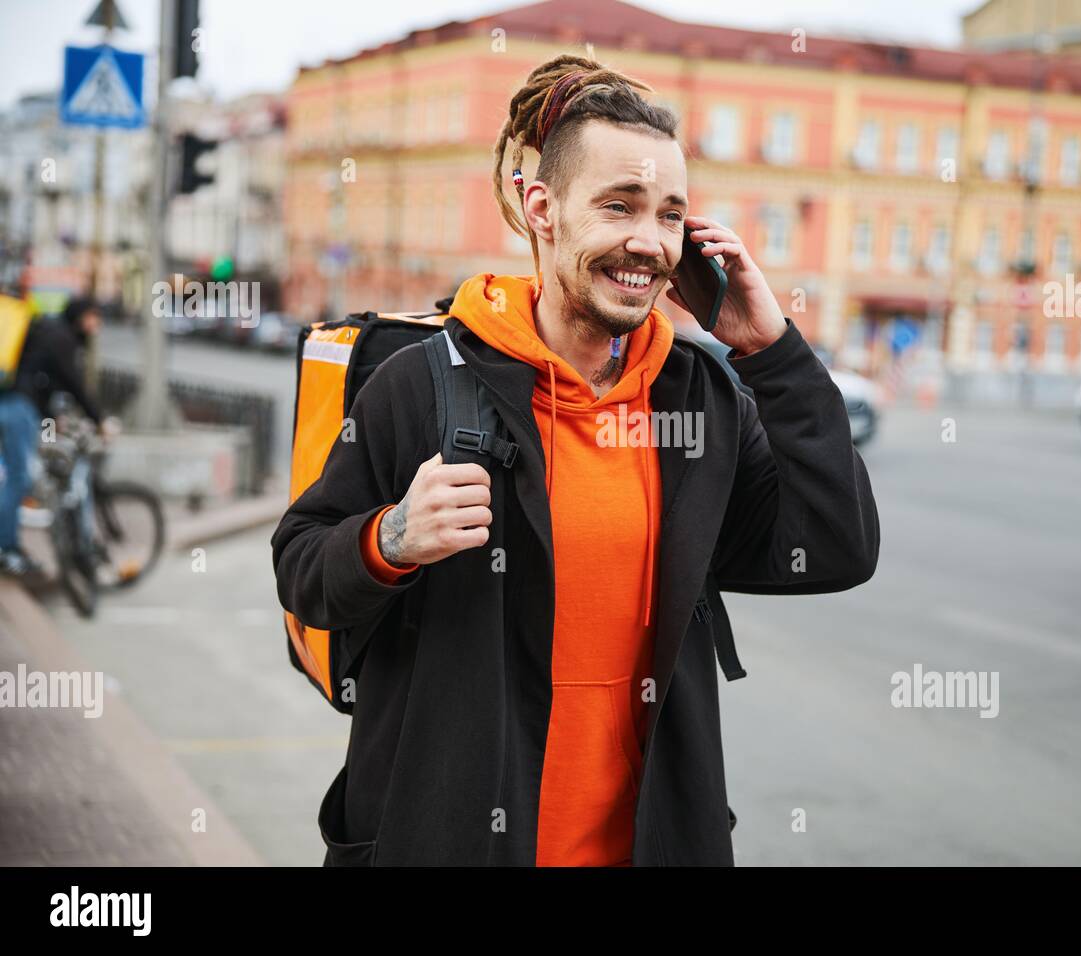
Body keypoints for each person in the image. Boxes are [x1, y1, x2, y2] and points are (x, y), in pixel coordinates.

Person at [271, 54, 881, 867]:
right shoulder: (420, 385)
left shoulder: (696, 400)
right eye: (618, 206)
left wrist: (772, 353)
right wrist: (389, 540)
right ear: (541, 208)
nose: (648, 242)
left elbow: (836, 545)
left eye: (671, 215)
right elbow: (301, 566)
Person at [0, 297, 107, 576]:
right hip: (16, 408)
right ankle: (6, 548)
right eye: (94, 316)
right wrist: (99, 420)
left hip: (16, 405)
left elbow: (44, 384)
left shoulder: (47, 333)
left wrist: (50, 424)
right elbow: (74, 384)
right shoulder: (62, 338)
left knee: (17, 471)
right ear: (80, 316)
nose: (97, 325)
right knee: (19, 477)